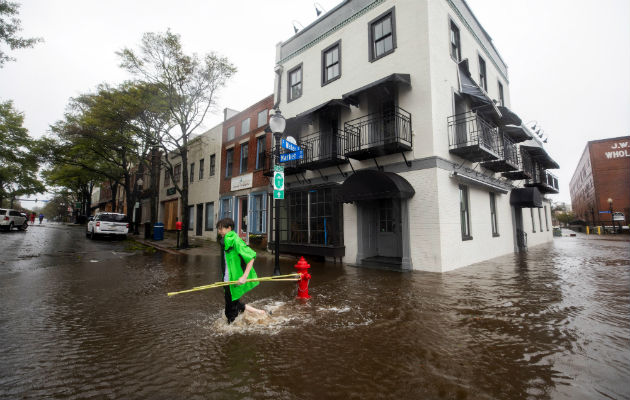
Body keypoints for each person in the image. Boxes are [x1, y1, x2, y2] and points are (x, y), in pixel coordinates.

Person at [216, 217, 266, 323]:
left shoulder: (236, 240)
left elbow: (251, 256)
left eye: (221, 229)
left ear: (229, 228)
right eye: (218, 229)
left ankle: (232, 331)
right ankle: (259, 312)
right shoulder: (225, 241)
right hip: (227, 279)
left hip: (235, 280)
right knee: (233, 302)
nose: (219, 231)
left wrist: (244, 277)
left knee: (230, 312)